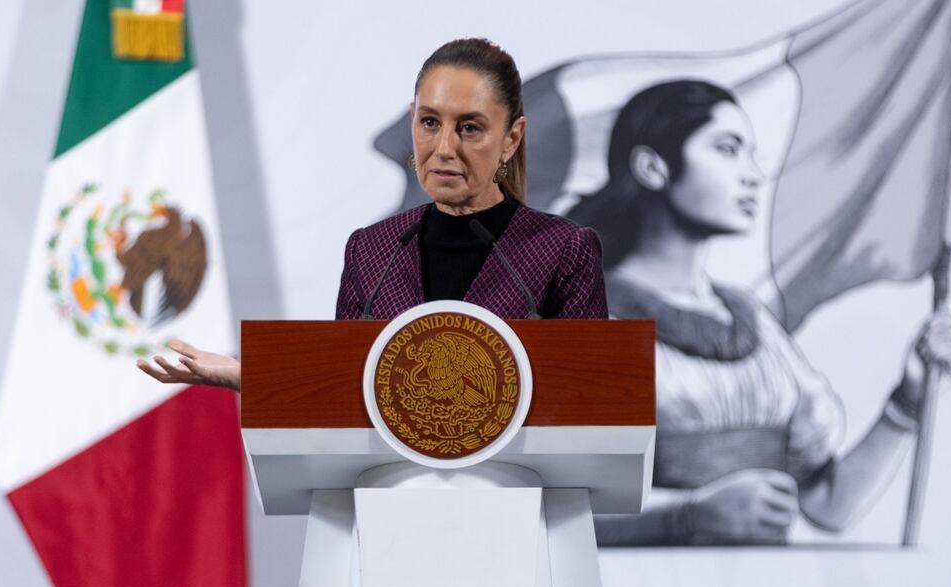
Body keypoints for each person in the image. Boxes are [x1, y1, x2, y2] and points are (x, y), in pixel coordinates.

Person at [568, 80, 951, 545]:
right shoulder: (589, 316)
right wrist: (687, 517)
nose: (753, 174)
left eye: (751, 153)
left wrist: (908, 401)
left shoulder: (752, 322)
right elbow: (554, 517)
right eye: (727, 149)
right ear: (653, 167)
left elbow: (828, 506)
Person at [137, 38, 608, 389]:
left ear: (512, 137)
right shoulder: (372, 249)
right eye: (429, 123)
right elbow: (351, 388)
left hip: (518, 504)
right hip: (392, 504)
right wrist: (250, 376)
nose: (443, 149)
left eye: (470, 128)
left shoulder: (563, 250)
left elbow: (593, 399)